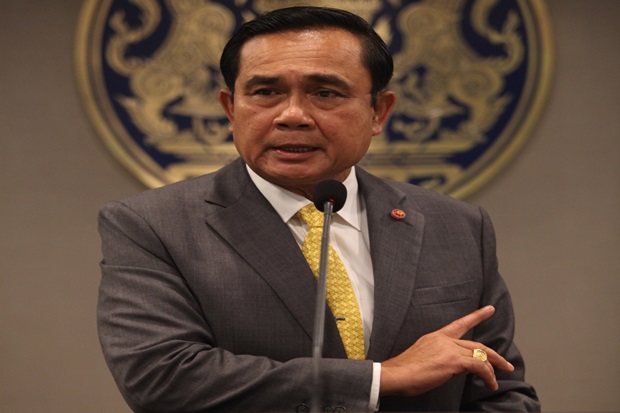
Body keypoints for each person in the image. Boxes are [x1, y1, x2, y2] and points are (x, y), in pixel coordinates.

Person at [97, 6, 540, 412]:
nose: (292, 115)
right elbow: (162, 378)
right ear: (230, 109)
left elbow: (501, 390)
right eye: (266, 91)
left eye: (325, 93)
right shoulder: (153, 225)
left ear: (378, 111)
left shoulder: (457, 225)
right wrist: (380, 379)